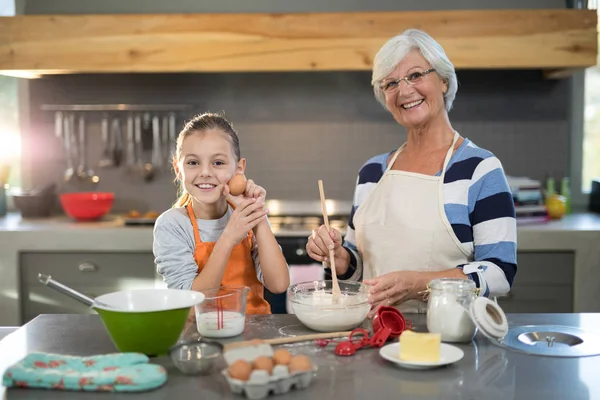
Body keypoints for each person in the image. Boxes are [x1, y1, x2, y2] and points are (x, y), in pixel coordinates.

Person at [306, 29, 517, 317]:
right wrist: (340, 259)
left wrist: (420, 284)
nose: (404, 91)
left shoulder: (480, 169)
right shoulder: (372, 172)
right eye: (391, 83)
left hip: (450, 340)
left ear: (443, 80)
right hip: (374, 337)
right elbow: (358, 271)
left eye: (416, 75)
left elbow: (499, 272)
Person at [153, 112, 289, 315]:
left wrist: (257, 215)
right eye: (192, 162)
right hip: (202, 338)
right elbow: (190, 307)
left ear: (239, 168)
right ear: (178, 169)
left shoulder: (247, 215)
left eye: (218, 163)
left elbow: (279, 284)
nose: (205, 172)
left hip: (255, 336)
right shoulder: (172, 225)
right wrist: (228, 238)